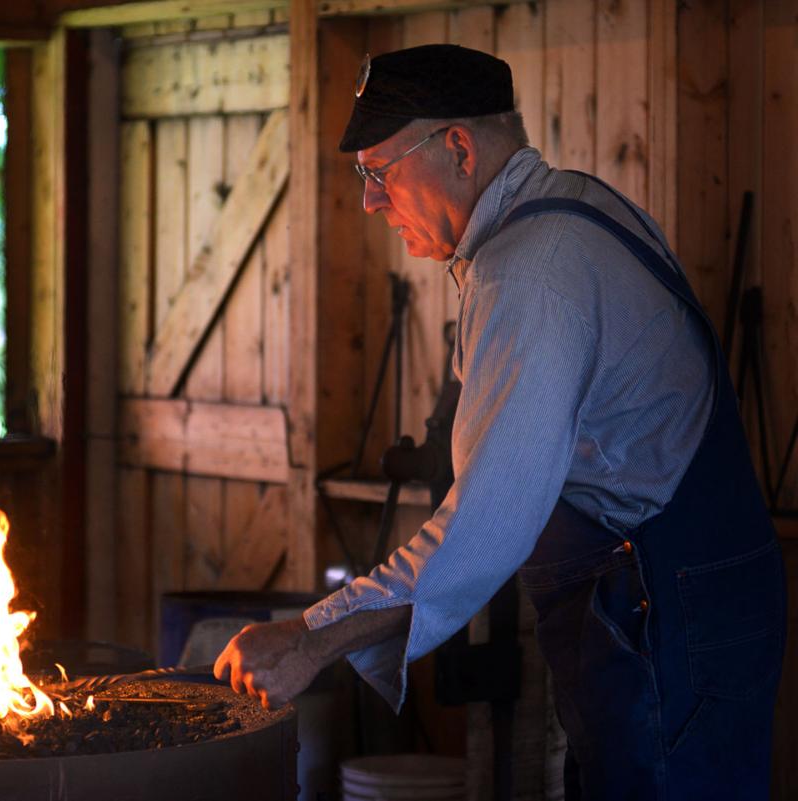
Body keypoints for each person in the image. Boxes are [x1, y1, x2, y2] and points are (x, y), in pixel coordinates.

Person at [213, 44, 786, 800]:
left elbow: (482, 528)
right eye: (364, 177)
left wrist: (309, 638)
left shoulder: (531, 270)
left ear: (457, 146)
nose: (370, 202)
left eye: (380, 171)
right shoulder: (570, 208)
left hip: (666, 617)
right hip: (675, 602)